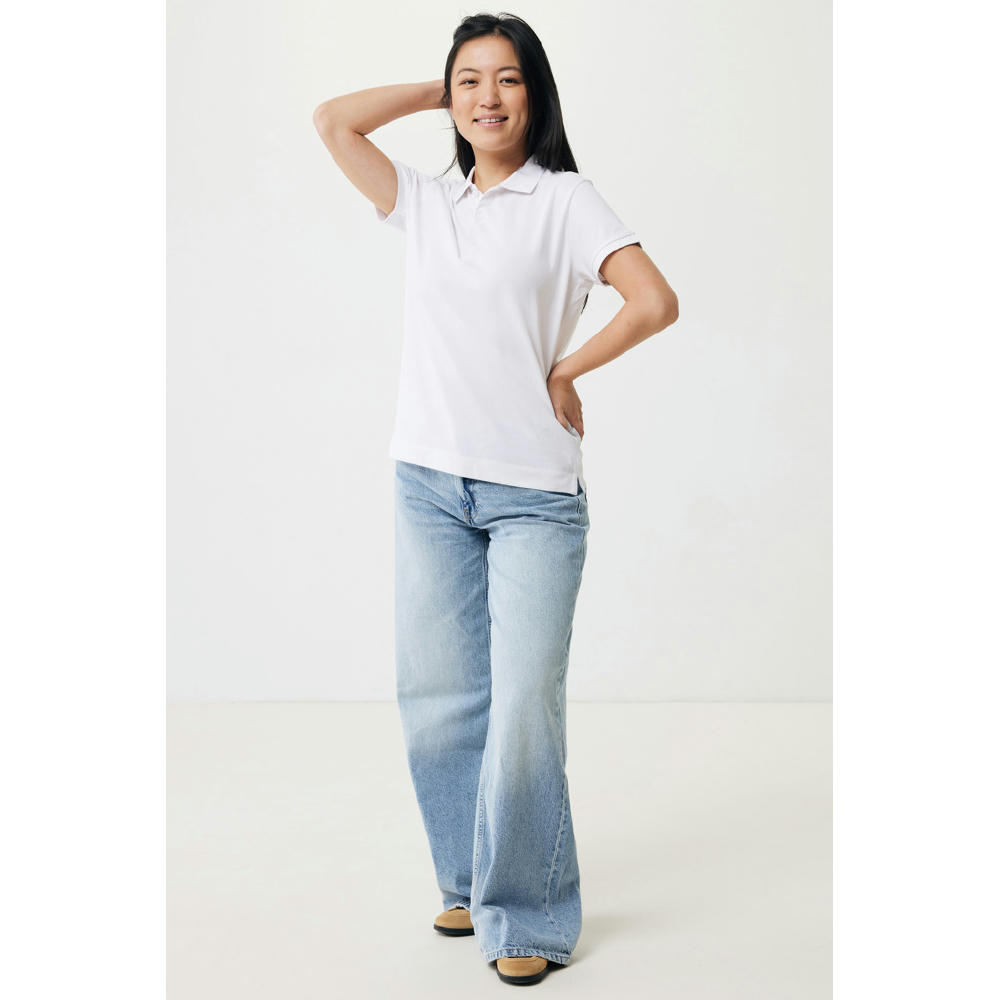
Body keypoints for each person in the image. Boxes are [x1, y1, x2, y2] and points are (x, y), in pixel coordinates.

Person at [313, 12, 678, 987]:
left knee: (520, 708)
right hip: (427, 482)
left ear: (536, 93)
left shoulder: (566, 201)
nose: (487, 97)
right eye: (468, 80)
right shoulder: (426, 201)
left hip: (533, 496)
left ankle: (530, 914)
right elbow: (334, 120)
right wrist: (438, 92)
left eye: (507, 79)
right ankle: (470, 881)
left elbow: (653, 300)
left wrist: (568, 368)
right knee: (439, 703)